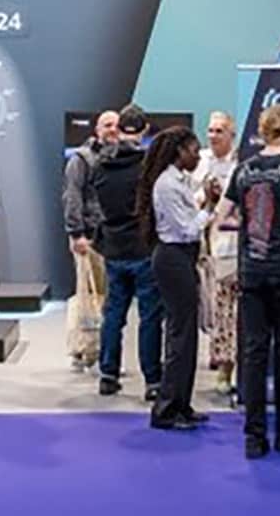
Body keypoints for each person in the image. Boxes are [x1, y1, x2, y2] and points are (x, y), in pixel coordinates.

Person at [218, 104, 280, 460]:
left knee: (254, 351)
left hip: (252, 270)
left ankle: (254, 435)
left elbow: (222, 216)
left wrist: (249, 225)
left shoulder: (243, 169)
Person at [138, 126, 221, 431]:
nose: (198, 156)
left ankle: (181, 404)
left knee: (187, 335)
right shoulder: (167, 185)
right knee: (180, 335)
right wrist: (209, 208)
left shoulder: (180, 181)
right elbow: (186, 228)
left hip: (181, 258)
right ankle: (166, 409)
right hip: (173, 258)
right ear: (179, 152)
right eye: (194, 150)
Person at [91, 105, 163, 399]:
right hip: (143, 248)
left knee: (113, 314)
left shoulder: (100, 167)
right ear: (144, 130)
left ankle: (108, 374)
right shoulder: (149, 169)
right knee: (150, 316)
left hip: (113, 248)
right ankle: (152, 381)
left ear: (118, 129)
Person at [64, 110, 119, 370]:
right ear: (97, 130)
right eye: (107, 125)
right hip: (89, 238)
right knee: (89, 295)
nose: (113, 129)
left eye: (117, 125)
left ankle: (94, 350)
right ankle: (86, 351)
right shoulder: (81, 159)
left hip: (114, 239)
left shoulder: (121, 159)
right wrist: (76, 234)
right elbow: (72, 196)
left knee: (107, 298)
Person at [195, 110, 239, 395]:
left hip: (233, 243)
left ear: (231, 134)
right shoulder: (199, 161)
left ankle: (230, 366)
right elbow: (191, 199)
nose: (213, 136)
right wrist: (204, 197)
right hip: (204, 241)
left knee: (230, 307)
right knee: (210, 305)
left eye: (219, 130)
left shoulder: (240, 164)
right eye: (210, 130)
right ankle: (218, 355)